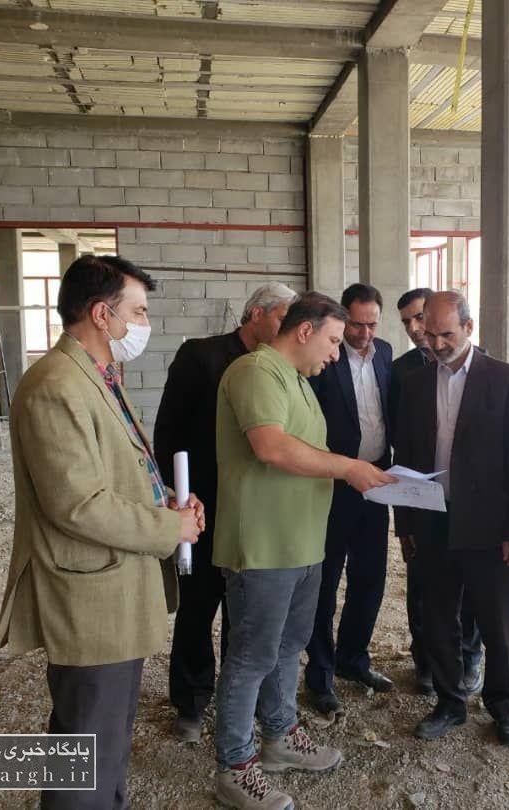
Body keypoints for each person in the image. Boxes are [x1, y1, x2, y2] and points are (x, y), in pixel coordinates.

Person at [0, 254, 204, 809]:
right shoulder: (55, 385)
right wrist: (168, 526)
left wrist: (166, 499)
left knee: (108, 736)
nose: (145, 323)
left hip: (116, 584)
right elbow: (77, 504)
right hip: (89, 596)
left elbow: (119, 466)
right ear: (100, 314)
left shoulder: (98, 375)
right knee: (86, 743)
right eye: (138, 311)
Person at [211, 292, 395, 810]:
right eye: (333, 341)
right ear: (305, 330)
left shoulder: (298, 380)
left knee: (290, 645)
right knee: (251, 656)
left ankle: (279, 735)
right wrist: (350, 468)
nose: (336, 354)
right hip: (264, 544)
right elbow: (271, 446)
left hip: (303, 541)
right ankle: (234, 765)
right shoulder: (256, 372)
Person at [153, 282, 297, 743]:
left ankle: (238, 700)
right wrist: (177, 493)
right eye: (283, 317)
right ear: (256, 314)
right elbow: (169, 431)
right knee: (198, 606)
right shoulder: (202, 356)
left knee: (246, 611)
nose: (290, 328)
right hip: (205, 507)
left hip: (256, 511)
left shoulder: (282, 367)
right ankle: (191, 704)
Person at [394, 291, 509, 747]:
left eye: (446, 334)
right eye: (430, 334)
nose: (436, 343)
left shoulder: (504, 378)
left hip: (488, 525)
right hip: (433, 519)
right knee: (437, 619)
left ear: (469, 328)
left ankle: (506, 705)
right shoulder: (415, 382)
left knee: (496, 621)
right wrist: (405, 524)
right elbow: (405, 454)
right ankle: (449, 702)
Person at [388, 287, 483, 696]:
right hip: (424, 501)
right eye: (410, 323)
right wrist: (404, 518)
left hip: (470, 504)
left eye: (421, 320)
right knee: (423, 586)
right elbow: (402, 442)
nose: (416, 330)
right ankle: (426, 660)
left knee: (471, 588)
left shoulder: (486, 369)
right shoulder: (403, 372)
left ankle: (470, 656)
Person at [304, 283, 394, 715]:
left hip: (375, 482)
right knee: (324, 583)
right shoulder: (327, 355)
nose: (364, 333)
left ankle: (353, 659)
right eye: (357, 324)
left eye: (372, 324)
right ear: (344, 318)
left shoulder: (386, 353)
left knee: (370, 577)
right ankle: (320, 677)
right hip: (333, 485)